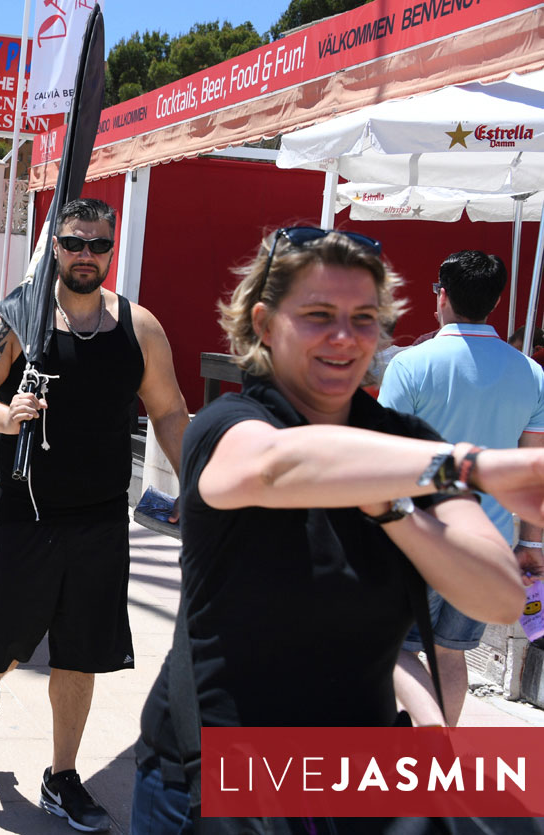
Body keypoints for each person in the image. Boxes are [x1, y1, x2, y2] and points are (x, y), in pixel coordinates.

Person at [130, 227, 538, 834]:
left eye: (365, 318)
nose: (345, 338)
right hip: (213, 779)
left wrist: (392, 507)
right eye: (319, 315)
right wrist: (473, 466)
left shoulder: (407, 444)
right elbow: (274, 465)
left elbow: (500, 597)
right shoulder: (230, 422)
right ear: (264, 324)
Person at [0, 199, 190, 831]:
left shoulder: (140, 326)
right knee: (1, 644)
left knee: (80, 652)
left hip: (101, 519)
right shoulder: (18, 318)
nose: (87, 255)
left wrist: (197, 481)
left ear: (112, 251)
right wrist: (3, 416)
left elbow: (167, 410)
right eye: (75, 243)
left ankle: (61, 775)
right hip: (27, 513)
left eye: (98, 245)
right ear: (55, 247)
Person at [379, 250, 544, 727]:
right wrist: (530, 542)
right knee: (450, 655)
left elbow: (386, 456)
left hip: (419, 535)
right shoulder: (530, 374)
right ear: (495, 301)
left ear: (442, 296)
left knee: (391, 647)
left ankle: (424, 738)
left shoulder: (411, 366)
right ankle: (437, 755)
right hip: (488, 543)